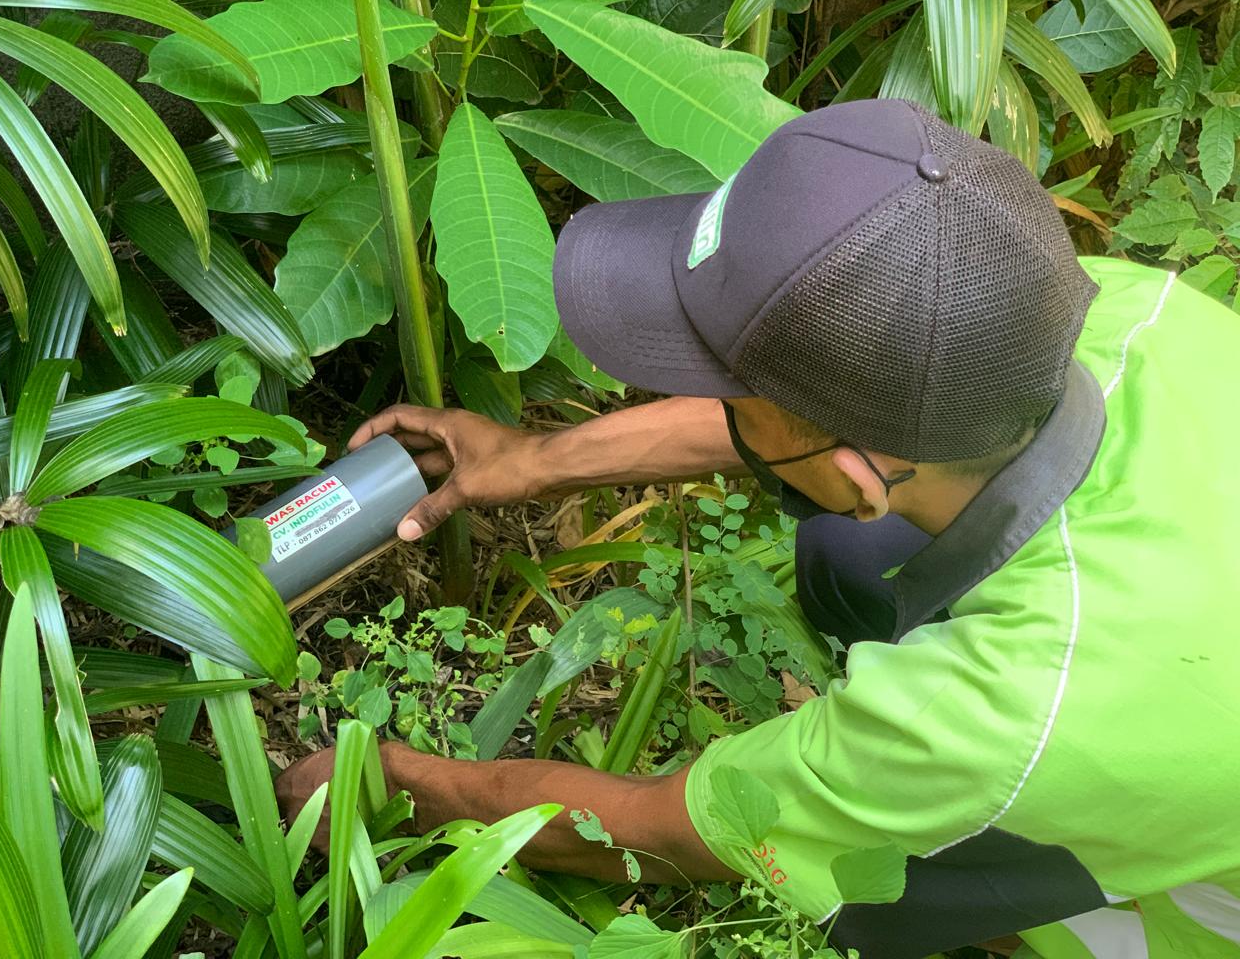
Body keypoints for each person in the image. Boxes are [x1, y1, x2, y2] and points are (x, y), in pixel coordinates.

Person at [276, 99, 1240, 958]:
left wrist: (388, 779)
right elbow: (819, 422)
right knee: (849, 551)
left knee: (890, 875)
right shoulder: (1106, 312)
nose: (715, 398)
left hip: (1198, 895)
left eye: (734, 391)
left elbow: (656, 828)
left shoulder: (1005, 717)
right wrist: (531, 459)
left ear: (862, 474)